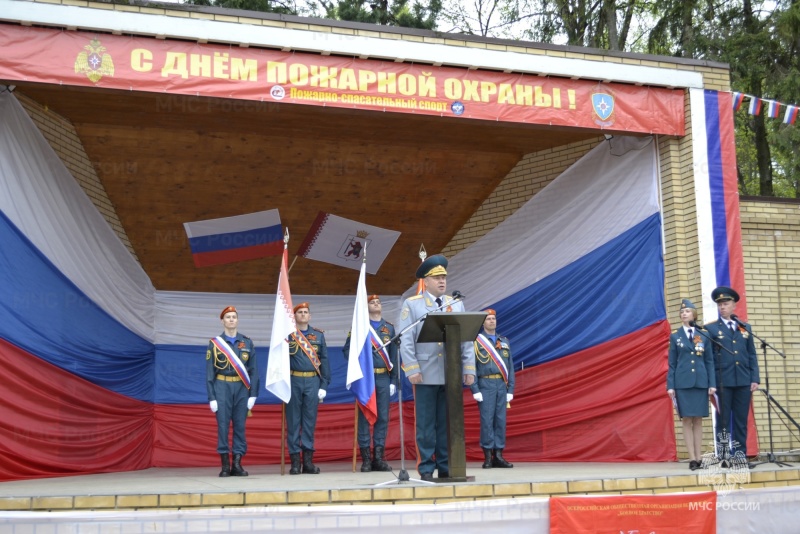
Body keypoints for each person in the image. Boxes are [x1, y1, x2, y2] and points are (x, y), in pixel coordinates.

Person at [397, 254, 476, 481]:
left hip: (450, 374)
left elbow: (466, 338)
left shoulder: (456, 303)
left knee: (447, 424)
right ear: (426, 281)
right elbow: (406, 339)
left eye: (444, 278)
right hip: (426, 373)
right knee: (426, 424)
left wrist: (468, 368)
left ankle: (446, 466)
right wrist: (412, 369)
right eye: (437, 278)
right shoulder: (413, 304)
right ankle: (425, 469)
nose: (442, 281)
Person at [343, 294, 399, 472]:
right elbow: (347, 350)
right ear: (366, 307)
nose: (376, 304)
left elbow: (394, 355)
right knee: (364, 418)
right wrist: (357, 364)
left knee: (382, 417)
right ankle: (366, 459)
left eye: (378, 302)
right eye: (372, 302)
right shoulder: (360, 327)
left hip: (383, 376)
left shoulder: (389, 328)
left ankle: (379, 458)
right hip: (365, 379)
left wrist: (394, 381)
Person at [705, 286, 759, 468]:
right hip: (723, 381)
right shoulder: (711, 329)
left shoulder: (744, 327)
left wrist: (755, 378)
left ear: (734, 305)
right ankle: (724, 456)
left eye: (726, 303)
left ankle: (740, 456)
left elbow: (751, 354)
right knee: (723, 421)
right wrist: (711, 382)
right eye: (720, 304)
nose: (722, 307)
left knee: (741, 420)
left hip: (743, 380)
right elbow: (709, 359)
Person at [206, 305, 259, 477]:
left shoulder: (247, 342)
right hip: (222, 386)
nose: (231, 320)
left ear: (237, 320)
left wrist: (253, 394)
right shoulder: (215, 344)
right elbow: (209, 373)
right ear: (222, 321)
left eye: (234, 317)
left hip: (242, 388)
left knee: (240, 426)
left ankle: (237, 464)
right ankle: (225, 465)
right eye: (228, 317)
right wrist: (212, 397)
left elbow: (254, 371)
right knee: (222, 426)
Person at [666, 299, 716, 470]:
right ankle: (692, 458)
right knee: (687, 419)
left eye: (687, 311)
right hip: (683, 383)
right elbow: (672, 363)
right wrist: (670, 385)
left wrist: (712, 383)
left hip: (700, 382)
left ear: (694, 314)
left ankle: (700, 456)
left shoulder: (702, 335)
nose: (684, 313)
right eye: (682, 311)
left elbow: (709, 361)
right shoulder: (675, 336)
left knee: (699, 420)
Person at [287, 302, 331, 475]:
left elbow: (325, 360)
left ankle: (308, 462)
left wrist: (324, 384)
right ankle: (295, 463)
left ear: (310, 316)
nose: (303, 315)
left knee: (309, 422)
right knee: (293, 422)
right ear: (295, 316)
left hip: (312, 381)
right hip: (293, 380)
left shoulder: (318, 336)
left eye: (306, 312)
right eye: (300, 312)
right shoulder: (288, 335)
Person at [471, 308, 515, 469]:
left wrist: (510, 390)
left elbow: (510, 366)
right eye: (488, 319)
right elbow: (471, 367)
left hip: (501, 385)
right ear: (483, 322)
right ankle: (488, 456)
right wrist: (474, 389)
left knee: (500, 421)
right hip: (485, 384)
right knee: (487, 421)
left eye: (493, 318)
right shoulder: (476, 342)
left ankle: (499, 455)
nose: (492, 321)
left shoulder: (504, 341)